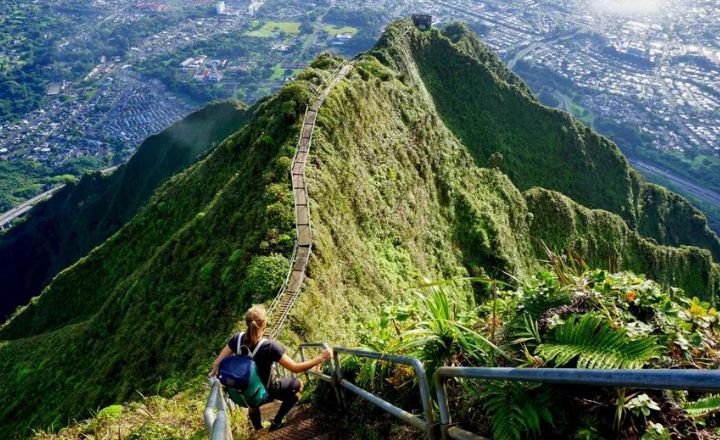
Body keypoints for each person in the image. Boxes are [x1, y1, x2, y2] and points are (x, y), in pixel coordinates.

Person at [210, 305, 333, 431]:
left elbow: (216, 364)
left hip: (246, 392)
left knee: (252, 397)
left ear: (247, 323)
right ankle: (277, 422)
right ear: (265, 323)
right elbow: (295, 368)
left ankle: (258, 430)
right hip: (269, 391)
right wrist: (321, 358)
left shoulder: (237, 339)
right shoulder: (269, 347)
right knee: (298, 385)